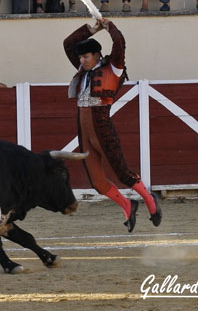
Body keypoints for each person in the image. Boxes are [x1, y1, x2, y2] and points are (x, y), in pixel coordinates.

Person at [63, 18, 162, 233]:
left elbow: (119, 44)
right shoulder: (83, 69)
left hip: (102, 128)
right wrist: (92, 29)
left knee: (123, 174)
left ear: (97, 55)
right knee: (97, 182)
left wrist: (109, 27)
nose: (82, 60)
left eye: (86, 56)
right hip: (84, 130)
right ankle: (128, 205)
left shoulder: (114, 67)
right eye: (80, 57)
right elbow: (68, 44)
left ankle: (150, 200)